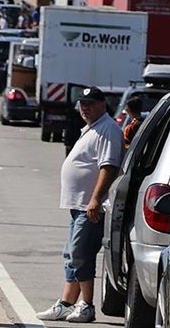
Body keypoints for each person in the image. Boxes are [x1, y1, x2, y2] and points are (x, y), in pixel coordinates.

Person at [36, 86, 124, 323]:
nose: (85, 108)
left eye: (91, 104)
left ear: (103, 105)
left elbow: (109, 167)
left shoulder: (108, 130)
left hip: (91, 207)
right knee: (71, 254)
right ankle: (66, 303)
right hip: (80, 205)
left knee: (81, 254)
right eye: (82, 104)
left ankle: (87, 305)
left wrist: (96, 199)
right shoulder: (92, 128)